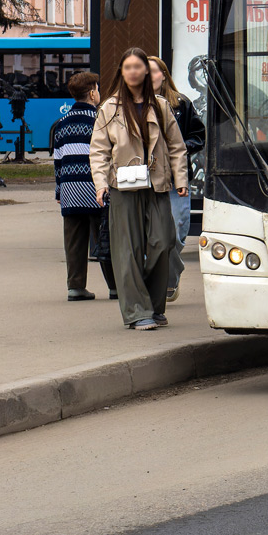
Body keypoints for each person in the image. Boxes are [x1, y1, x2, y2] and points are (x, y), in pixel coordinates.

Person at [89, 48, 189, 331]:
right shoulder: (109, 108)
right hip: (123, 186)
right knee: (127, 250)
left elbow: (177, 148)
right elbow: (98, 152)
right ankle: (136, 311)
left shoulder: (161, 106)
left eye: (138, 66)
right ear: (121, 72)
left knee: (164, 241)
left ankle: (154, 306)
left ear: (147, 71)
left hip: (157, 184)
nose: (132, 71)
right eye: (127, 67)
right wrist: (100, 185)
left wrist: (181, 180)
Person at [53, 71, 114, 300]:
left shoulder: (61, 124)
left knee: (74, 241)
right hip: (95, 188)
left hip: (69, 190)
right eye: (97, 89)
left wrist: (59, 190)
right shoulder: (100, 120)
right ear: (91, 93)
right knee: (105, 237)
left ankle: (76, 287)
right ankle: (115, 286)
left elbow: (58, 160)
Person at [148, 56, 204, 303]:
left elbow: (198, 136)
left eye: (153, 71)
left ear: (163, 74)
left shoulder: (181, 103)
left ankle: (171, 277)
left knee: (178, 232)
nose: (148, 76)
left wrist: (180, 147)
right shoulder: (135, 104)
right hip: (146, 178)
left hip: (176, 177)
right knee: (151, 235)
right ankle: (159, 283)